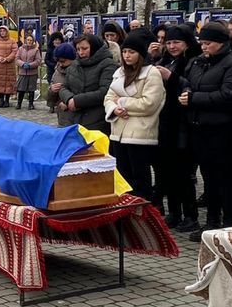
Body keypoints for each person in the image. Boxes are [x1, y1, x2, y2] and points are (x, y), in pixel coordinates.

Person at [179, 21, 232, 237]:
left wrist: (194, 98)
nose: (204, 47)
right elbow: (188, 83)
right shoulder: (199, 62)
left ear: (220, 42)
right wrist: (186, 93)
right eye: (202, 43)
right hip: (200, 129)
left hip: (225, 131)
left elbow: (228, 95)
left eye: (208, 43)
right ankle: (211, 221)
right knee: (208, 178)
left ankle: (228, 221)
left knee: (227, 179)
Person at [103, 30, 165, 201]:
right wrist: (114, 109)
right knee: (123, 176)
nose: (127, 55)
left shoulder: (151, 73)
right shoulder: (120, 72)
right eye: (124, 51)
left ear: (140, 54)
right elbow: (108, 98)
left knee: (140, 177)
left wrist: (122, 102)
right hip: (118, 132)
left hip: (140, 133)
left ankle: (143, 208)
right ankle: (126, 207)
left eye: (131, 52)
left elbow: (149, 104)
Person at [155, 24, 200, 231]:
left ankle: (190, 215)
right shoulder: (164, 61)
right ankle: (174, 212)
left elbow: (191, 86)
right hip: (164, 123)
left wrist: (171, 77)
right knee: (167, 172)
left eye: (177, 42)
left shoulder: (193, 61)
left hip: (184, 125)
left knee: (184, 174)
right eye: (169, 42)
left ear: (187, 43)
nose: (172, 46)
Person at [57, 34, 117, 134]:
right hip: (73, 120)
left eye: (85, 49)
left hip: (97, 122)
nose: (81, 52)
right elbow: (64, 87)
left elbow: (105, 91)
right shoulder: (75, 64)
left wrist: (77, 101)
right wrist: (69, 99)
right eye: (78, 49)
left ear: (94, 47)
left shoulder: (108, 64)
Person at [47, 42, 77, 125]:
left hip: (77, 117)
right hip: (62, 116)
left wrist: (69, 102)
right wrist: (51, 90)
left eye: (63, 61)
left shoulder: (79, 70)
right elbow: (50, 98)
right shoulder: (57, 71)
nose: (60, 64)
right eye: (58, 61)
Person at [15, 35, 42, 109]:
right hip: (22, 72)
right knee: (21, 89)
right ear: (26, 40)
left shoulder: (36, 50)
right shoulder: (21, 49)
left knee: (31, 89)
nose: (29, 41)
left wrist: (30, 65)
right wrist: (22, 64)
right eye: (28, 40)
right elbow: (17, 59)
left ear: (33, 41)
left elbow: (38, 60)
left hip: (32, 73)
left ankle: (31, 104)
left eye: (31, 40)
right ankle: (19, 104)